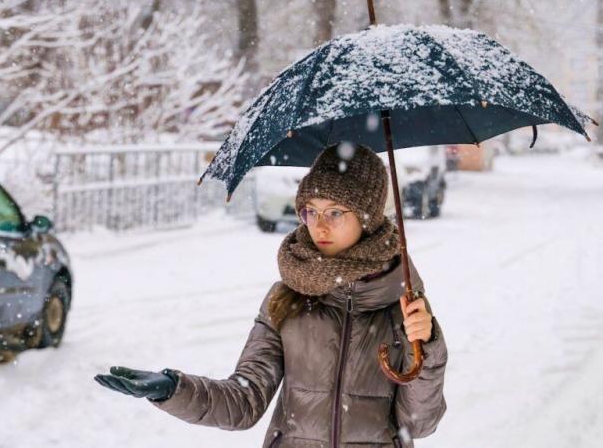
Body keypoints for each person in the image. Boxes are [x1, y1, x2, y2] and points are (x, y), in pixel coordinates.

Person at [94, 144, 448, 448]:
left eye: (336, 212)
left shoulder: (403, 305)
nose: (319, 225)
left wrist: (427, 347)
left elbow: (418, 422)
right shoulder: (289, 297)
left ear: (367, 217)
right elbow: (244, 400)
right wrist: (171, 388)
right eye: (311, 211)